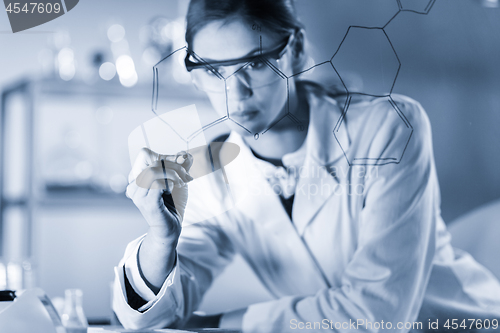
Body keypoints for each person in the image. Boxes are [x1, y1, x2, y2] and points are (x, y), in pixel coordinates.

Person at [113, 0, 500, 332]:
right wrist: (161, 239)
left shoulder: (386, 127)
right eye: (215, 71)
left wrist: (219, 324)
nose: (235, 94)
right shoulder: (214, 175)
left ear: (295, 50)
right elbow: (149, 316)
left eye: (256, 63)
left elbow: (378, 315)